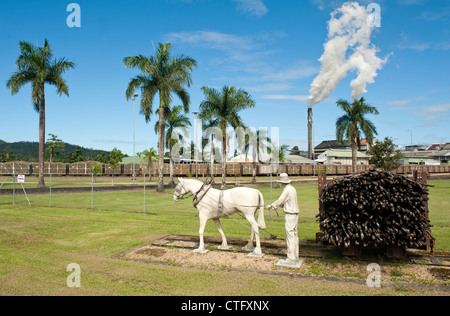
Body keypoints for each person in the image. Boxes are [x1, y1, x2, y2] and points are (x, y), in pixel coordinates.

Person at [267, 173, 300, 266]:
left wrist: (272, 205)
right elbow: (285, 201)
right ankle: (295, 255)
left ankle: (291, 258)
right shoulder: (292, 188)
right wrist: (278, 205)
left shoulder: (287, 190)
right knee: (294, 234)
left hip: (290, 214)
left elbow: (280, 200)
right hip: (295, 212)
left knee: (290, 235)